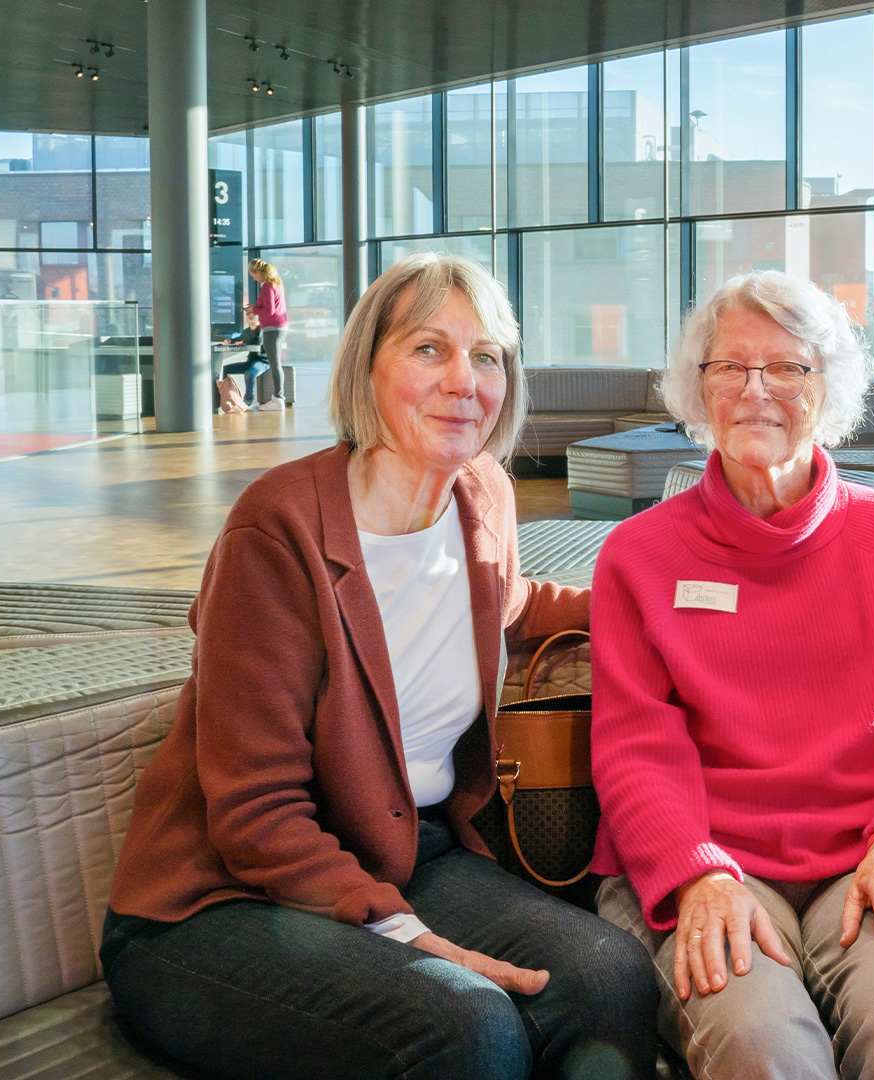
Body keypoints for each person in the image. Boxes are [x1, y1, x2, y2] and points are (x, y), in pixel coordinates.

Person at [101, 252, 659, 1080]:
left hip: (403, 850)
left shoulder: (481, 494)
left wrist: (665, 606)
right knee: (467, 1031)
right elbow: (255, 812)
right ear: (368, 368)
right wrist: (407, 936)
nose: (463, 380)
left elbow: (505, 603)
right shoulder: (279, 529)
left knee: (612, 980)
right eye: (429, 349)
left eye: (486, 356)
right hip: (223, 896)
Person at [591, 270, 874, 1080]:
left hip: (873, 857)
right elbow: (634, 748)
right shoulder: (638, 554)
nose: (754, 390)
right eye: (729, 367)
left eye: (787, 368)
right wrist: (696, 874)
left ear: (827, 386)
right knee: (760, 1046)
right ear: (697, 388)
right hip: (705, 862)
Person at [246, 257, 288, 410]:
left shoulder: (267, 286)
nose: (253, 278)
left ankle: (279, 398)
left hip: (273, 328)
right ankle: (277, 398)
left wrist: (253, 310)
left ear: (258, 272)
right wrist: (255, 309)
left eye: (253, 275)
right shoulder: (276, 284)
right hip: (278, 327)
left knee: (275, 363)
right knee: (275, 363)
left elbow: (269, 311)